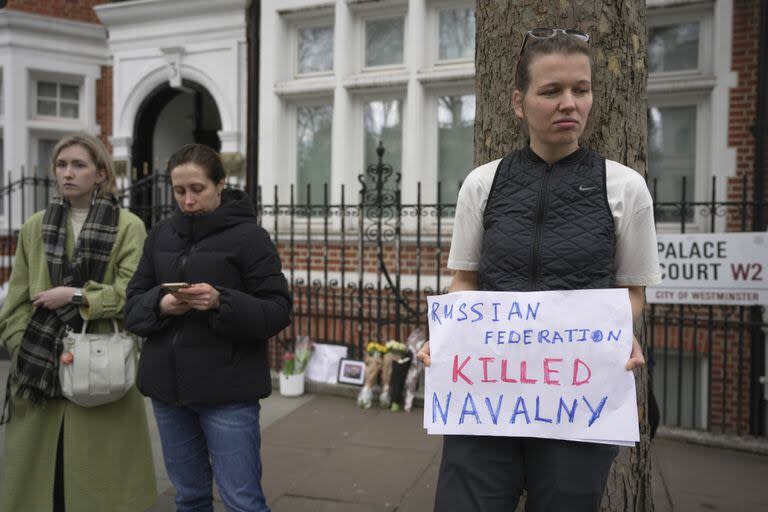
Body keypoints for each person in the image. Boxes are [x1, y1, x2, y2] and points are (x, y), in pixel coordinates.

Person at [417, 28, 662, 511]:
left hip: (578, 401)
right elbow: (465, 281)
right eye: (551, 91)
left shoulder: (626, 188)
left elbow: (631, 292)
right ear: (518, 102)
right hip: (486, 400)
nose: (569, 103)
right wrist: (446, 339)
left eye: (581, 89)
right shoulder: (482, 185)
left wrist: (618, 331)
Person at [124, 144, 291, 512]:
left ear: (220, 184)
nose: (188, 200)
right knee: (189, 498)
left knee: (242, 501)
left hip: (228, 395)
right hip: (169, 395)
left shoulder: (250, 238)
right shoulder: (161, 236)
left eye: (197, 189)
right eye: (179, 190)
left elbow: (278, 311)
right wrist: (162, 304)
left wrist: (221, 302)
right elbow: (132, 309)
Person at [0, 133, 157, 511]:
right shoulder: (36, 226)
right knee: (42, 481)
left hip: (103, 362)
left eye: (79, 165)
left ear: (101, 174)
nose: (67, 173)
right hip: (39, 364)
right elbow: (16, 301)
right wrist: (25, 347)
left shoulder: (129, 226)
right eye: (61, 165)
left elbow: (131, 292)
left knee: (99, 483)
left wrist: (76, 296)